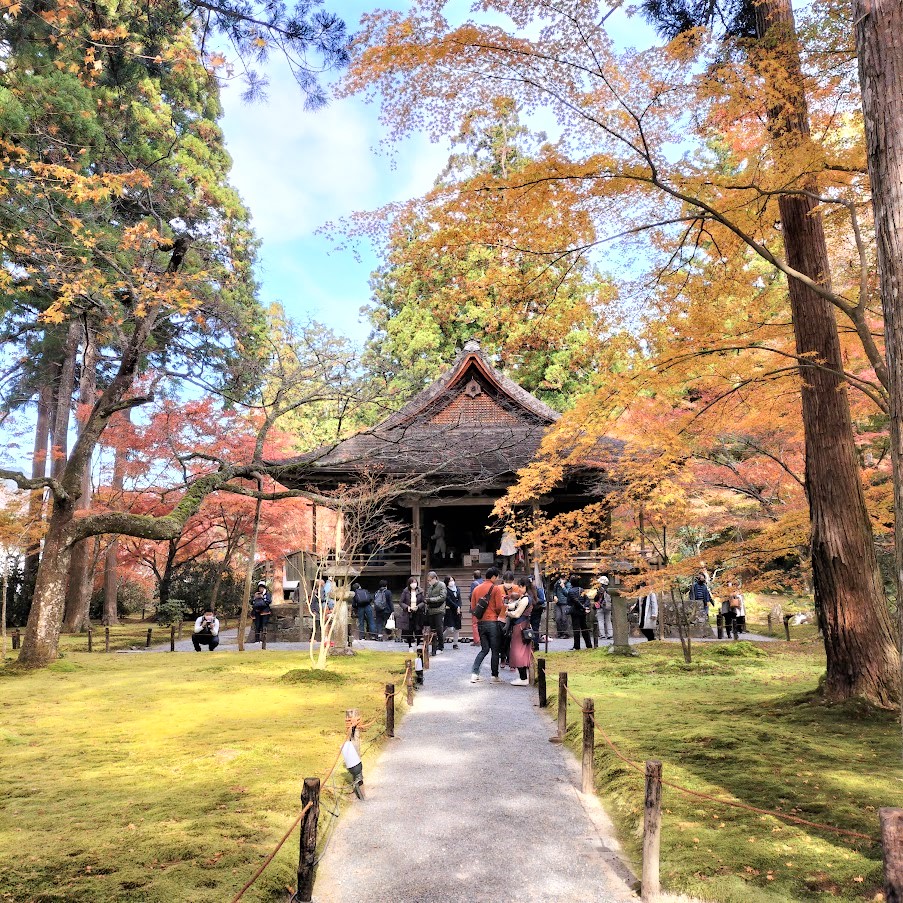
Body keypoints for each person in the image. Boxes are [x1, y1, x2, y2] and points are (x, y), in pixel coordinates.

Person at [470, 566, 506, 683]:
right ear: (494, 577)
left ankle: (474, 673)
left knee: (484, 649)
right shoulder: (495, 589)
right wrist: (496, 613)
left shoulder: (476, 589)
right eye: (497, 577)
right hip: (492, 622)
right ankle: (494, 676)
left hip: (481, 622)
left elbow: (473, 607)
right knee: (495, 650)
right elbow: (499, 606)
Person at [507, 579, 534, 685]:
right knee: (523, 650)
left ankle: (523, 678)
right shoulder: (525, 598)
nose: (519, 589)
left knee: (518, 650)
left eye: (520, 586)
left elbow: (517, 613)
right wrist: (506, 606)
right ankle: (523, 676)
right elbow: (514, 605)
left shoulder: (525, 599)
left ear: (525, 587)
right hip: (524, 625)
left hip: (520, 626)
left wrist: (507, 612)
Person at [567, 576, 593, 650]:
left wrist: (582, 607)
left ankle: (577, 646)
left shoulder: (571, 591)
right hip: (582, 612)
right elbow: (587, 599)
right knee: (584, 628)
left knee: (576, 629)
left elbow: (575, 601)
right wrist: (585, 606)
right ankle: (589, 645)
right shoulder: (581, 590)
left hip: (575, 611)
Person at [425, 571, 447, 652]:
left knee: (439, 628)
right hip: (431, 610)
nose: (429, 582)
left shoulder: (441, 585)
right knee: (432, 630)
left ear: (434, 578)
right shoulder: (430, 588)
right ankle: (434, 646)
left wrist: (430, 600)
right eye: (428, 580)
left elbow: (442, 597)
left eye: (430, 580)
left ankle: (441, 646)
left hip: (439, 610)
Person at [400, 577, 424, 649]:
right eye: (412, 582)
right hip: (409, 613)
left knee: (418, 629)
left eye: (415, 582)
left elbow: (423, 601)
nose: (414, 584)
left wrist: (418, 607)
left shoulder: (420, 591)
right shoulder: (405, 591)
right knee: (409, 630)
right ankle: (410, 645)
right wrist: (407, 607)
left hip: (418, 613)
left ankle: (418, 645)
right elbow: (401, 602)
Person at [499, 571, 516, 667]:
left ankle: (510, 658)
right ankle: (502, 657)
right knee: (502, 639)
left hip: (513, 616)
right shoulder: (498, 588)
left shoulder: (517, 588)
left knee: (511, 639)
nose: (508, 583)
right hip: (501, 616)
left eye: (510, 581)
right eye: (506, 581)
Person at [443, 576, 462, 649]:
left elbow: (459, 599)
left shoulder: (457, 589)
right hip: (449, 610)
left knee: (457, 628)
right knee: (450, 628)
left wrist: (459, 607)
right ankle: (442, 638)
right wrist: (456, 607)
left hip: (457, 610)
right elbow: (449, 600)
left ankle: (455, 643)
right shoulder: (446, 590)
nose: (452, 582)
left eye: (452, 580)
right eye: (450, 581)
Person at [530, 578, 545, 649]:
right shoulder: (528, 590)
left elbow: (542, 600)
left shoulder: (538, 590)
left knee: (535, 628)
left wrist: (534, 600)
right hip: (530, 610)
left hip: (536, 610)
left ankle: (535, 645)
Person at [596, 576, 612, 640]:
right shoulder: (610, 589)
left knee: (601, 621)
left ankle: (602, 635)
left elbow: (596, 598)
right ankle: (610, 634)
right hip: (608, 606)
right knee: (608, 620)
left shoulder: (600, 589)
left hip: (600, 606)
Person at [469, 570, 483, 644]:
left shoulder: (474, 584)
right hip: (483, 605)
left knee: (475, 624)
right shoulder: (483, 583)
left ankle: (477, 640)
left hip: (475, 605)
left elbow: (471, 596)